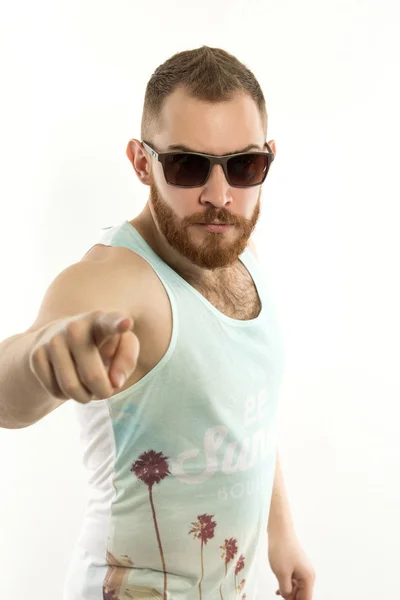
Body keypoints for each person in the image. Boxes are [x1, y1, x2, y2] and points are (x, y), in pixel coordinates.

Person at [0, 46, 315, 600]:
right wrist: (40, 360)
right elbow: (9, 394)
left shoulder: (235, 248)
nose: (219, 197)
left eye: (243, 166)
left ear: (267, 158)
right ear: (142, 162)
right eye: (188, 165)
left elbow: (249, 416)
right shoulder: (115, 277)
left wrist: (281, 532)